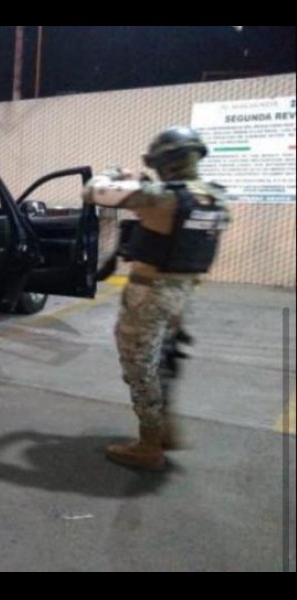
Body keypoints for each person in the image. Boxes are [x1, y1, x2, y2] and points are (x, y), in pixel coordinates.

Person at [82, 126, 230, 470]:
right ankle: (166, 430)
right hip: (183, 291)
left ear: (165, 161)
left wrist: (116, 172)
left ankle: (148, 446)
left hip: (150, 293)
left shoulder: (161, 197)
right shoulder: (215, 196)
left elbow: (92, 191)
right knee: (163, 360)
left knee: (139, 367)